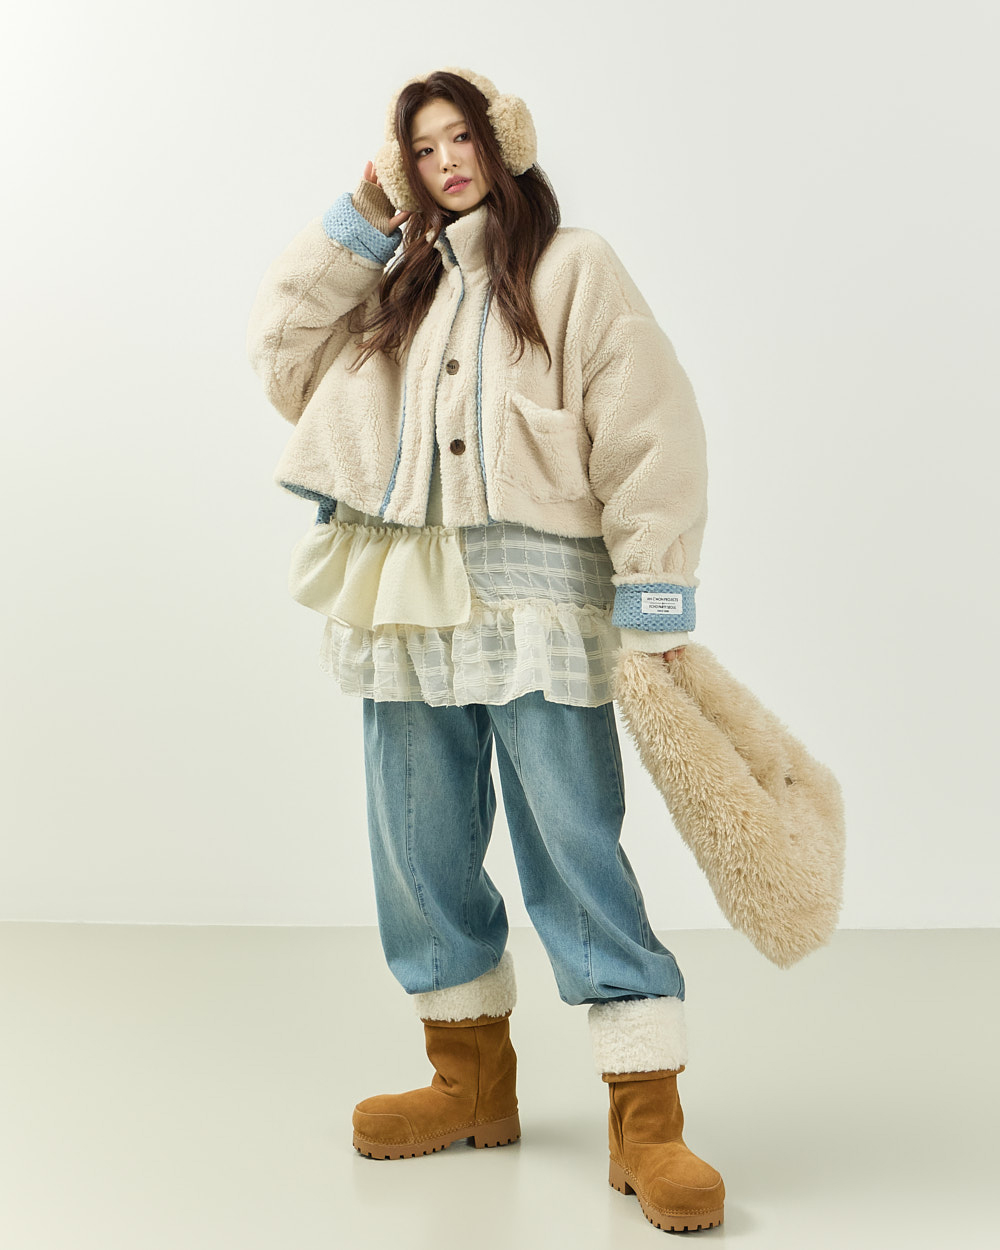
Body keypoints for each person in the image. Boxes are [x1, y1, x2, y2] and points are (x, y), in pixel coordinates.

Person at [246, 66, 724, 1234]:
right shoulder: (393, 291)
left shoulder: (573, 267)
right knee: (416, 841)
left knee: (572, 840)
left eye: (460, 136)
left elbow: (650, 426)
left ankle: (646, 1114)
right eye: (419, 148)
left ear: (500, 142)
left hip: (537, 604)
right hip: (407, 605)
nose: (445, 161)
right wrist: (364, 214)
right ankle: (468, 1081)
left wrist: (654, 597)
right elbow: (280, 352)